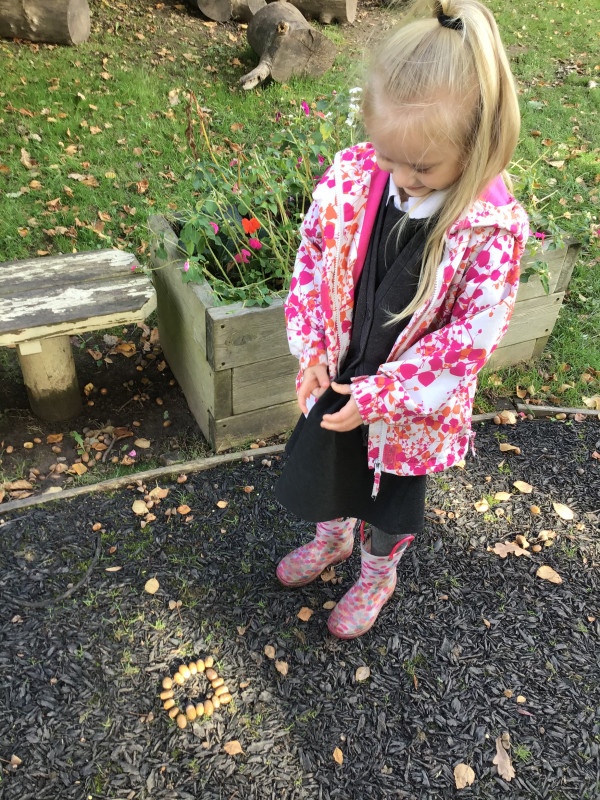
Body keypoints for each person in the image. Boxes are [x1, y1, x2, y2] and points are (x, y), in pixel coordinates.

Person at [274, 0, 529, 639]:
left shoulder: (489, 231)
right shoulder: (353, 178)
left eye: (423, 167)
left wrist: (384, 396)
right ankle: (332, 539)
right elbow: (314, 258)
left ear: (479, 145)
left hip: (412, 406)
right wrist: (313, 349)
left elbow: (469, 339)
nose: (405, 179)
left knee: (391, 501)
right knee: (331, 468)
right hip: (342, 371)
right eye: (390, 157)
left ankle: (376, 573)